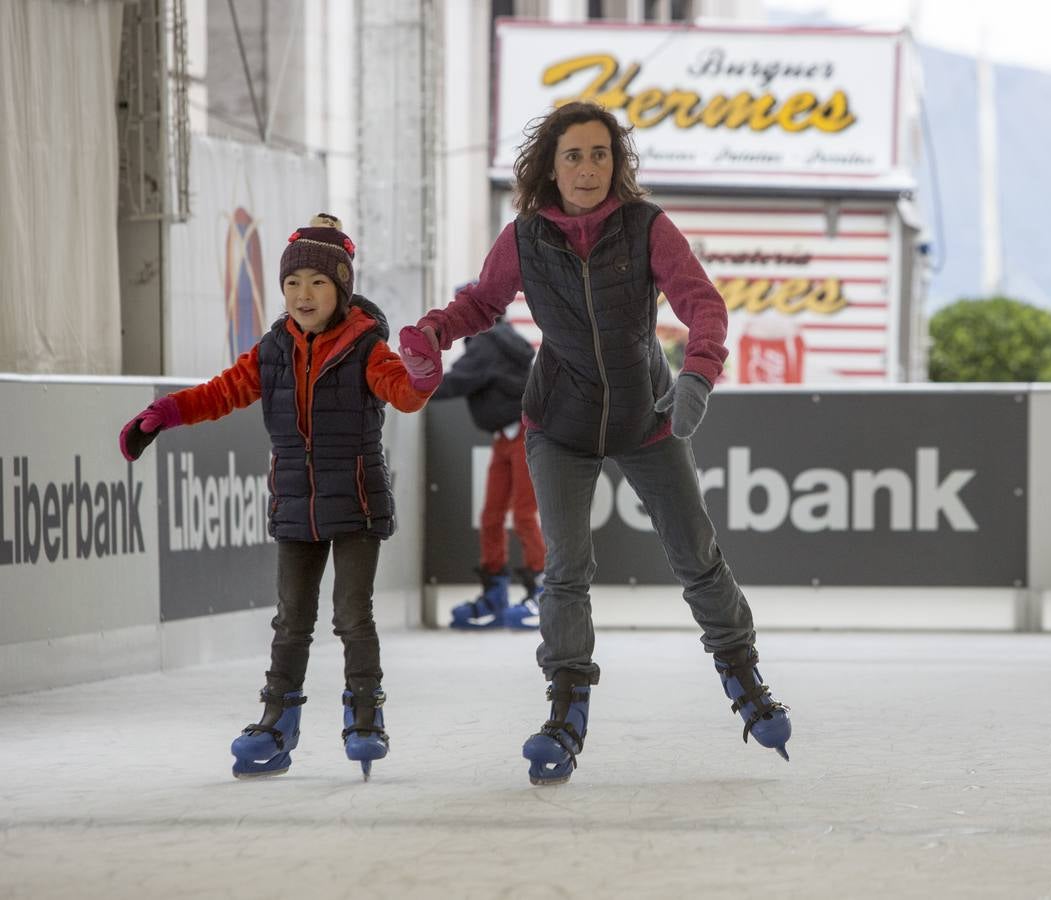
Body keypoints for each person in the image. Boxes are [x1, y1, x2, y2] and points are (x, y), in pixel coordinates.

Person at [400, 101, 792, 785]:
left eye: (600, 154)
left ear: (618, 163)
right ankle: (565, 706)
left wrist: (698, 373)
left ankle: (743, 675)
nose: (587, 168)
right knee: (565, 570)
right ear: (550, 166)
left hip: (649, 415)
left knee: (695, 553)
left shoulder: (646, 226)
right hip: (560, 421)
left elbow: (702, 302)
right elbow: (482, 304)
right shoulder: (525, 236)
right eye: (574, 155)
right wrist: (434, 330)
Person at [118, 214, 438, 779]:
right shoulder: (272, 351)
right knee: (291, 619)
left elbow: (405, 395)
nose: (302, 294)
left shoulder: (367, 346)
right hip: (295, 503)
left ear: (341, 288)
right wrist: (162, 414)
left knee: (351, 616)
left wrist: (420, 373)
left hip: (359, 503)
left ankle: (365, 717)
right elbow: (222, 391)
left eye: (317, 282)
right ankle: (277, 719)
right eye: (293, 283)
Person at [433, 313, 545, 630]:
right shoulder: (504, 339)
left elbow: (453, 382)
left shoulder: (485, 343)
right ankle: (496, 593)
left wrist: (409, 385)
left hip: (523, 435)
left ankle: (545, 591)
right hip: (505, 435)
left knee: (522, 513)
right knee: (492, 515)